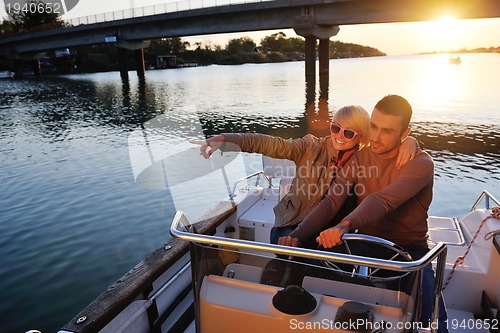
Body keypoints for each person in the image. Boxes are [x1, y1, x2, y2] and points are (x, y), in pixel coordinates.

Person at [279, 94, 448, 332]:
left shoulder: (420, 163)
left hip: (410, 251)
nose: (376, 137)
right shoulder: (359, 157)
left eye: (387, 131)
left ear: (405, 133)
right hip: (362, 243)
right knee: (306, 271)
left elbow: (383, 200)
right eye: (373, 127)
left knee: (430, 320)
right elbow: (330, 202)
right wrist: (297, 234)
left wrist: (344, 225)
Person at [190, 105, 417, 246]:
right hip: (293, 223)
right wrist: (224, 139)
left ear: (362, 136)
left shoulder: (364, 157)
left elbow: (389, 142)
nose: (339, 136)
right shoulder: (310, 147)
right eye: (335, 128)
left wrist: (411, 141)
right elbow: (266, 143)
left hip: (333, 231)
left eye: (348, 132)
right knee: (290, 267)